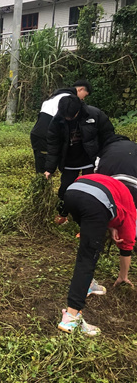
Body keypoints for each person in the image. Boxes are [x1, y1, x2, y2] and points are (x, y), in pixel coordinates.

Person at [57, 174, 136, 335]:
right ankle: (72, 317)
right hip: (93, 204)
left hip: (72, 193)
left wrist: (111, 226)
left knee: (88, 244)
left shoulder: (115, 187)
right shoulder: (131, 212)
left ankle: (88, 284)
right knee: (88, 256)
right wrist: (123, 276)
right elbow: (126, 246)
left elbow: (101, 201)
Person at [44, 94, 115, 224]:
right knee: (65, 189)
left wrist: (105, 158)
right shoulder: (57, 120)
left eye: (71, 116)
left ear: (78, 109)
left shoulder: (94, 115)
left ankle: (87, 220)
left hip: (90, 161)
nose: (68, 118)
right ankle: (63, 215)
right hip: (69, 162)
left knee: (91, 191)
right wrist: (49, 168)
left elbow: (108, 136)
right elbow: (53, 145)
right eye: (65, 116)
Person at [30, 81, 91, 174]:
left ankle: (43, 183)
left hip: (37, 134)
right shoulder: (68, 100)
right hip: (46, 134)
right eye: (84, 96)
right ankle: (44, 185)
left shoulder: (56, 96)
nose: (82, 99)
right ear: (80, 89)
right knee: (45, 169)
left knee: (41, 166)